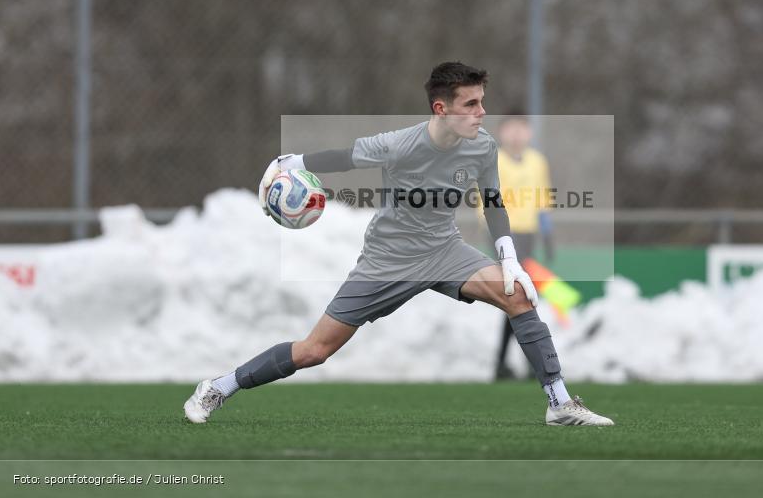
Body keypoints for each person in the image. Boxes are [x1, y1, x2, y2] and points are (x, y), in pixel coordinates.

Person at [183, 62, 613, 427]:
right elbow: (346, 158)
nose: (482, 112)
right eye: (471, 104)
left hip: (445, 251)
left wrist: (508, 257)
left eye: (483, 101)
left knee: (518, 296)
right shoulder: (400, 144)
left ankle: (559, 403)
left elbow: (493, 200)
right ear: (441, 109)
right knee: (315, 351)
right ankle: (219, 387)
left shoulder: (482, 146)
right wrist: (290, 163)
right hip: (386, 261)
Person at [491, 113, 555, 380]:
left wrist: (548, 235)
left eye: (521, 128)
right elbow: (486, 201)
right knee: (517, 296)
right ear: (502, 132)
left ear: (528, 132)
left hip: (527, 236)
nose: (516, 134)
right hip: (503, 235)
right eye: (511, 128)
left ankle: (505, 363)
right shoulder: (493, 160)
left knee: (519, 298)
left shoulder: (537, 162)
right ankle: (521, 362)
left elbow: (543, 200)